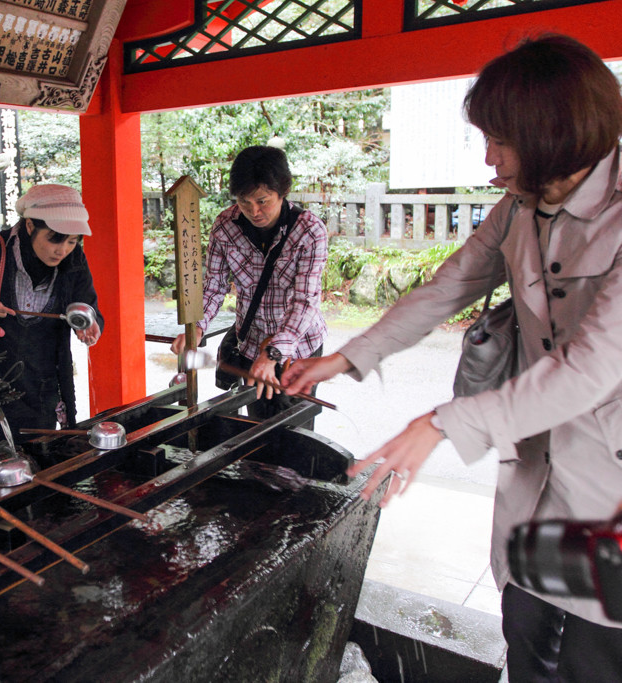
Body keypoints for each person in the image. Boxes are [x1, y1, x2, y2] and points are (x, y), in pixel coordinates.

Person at [282, 34, 622, 681]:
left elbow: (592, 368)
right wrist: (347, 358)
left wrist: (440, 422)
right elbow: (448, 286)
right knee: (524, 634)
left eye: (500, 139)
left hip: (612, 484)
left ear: (552, 132)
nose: (489, 158)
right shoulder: (521, 208)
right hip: (539, 475)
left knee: (595, 659)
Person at [171, 145, 328, 422]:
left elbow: (305, 302)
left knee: (295, 437)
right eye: (244, 202)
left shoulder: (309, 231)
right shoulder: (225, 226)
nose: (254, 211)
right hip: (252, 342)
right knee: (257, 430)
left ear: (283, 192)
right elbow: (214, 286)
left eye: (263, 201)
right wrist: (196, 327)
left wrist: (273, 353)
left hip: (298, 348)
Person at [0, 184, 104, 441]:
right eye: (54, 239)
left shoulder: (74, 260)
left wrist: (88, 322)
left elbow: (88, 305)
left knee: (40, 455)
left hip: (44, 386)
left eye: (72, 241)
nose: (62, 250)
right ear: (29, 226)